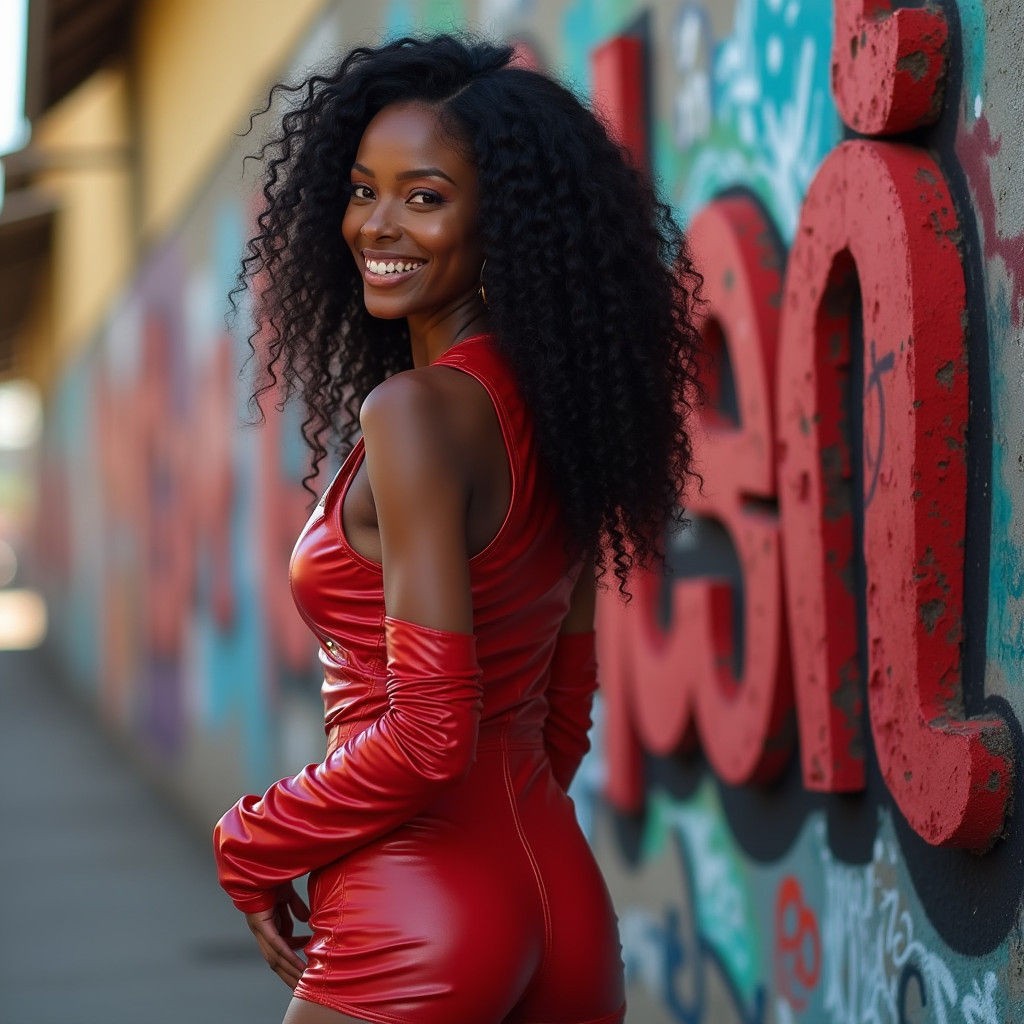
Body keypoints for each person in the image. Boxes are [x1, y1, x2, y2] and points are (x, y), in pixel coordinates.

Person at [212, 31, 705, 1024]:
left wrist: (252, 837)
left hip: (418, 905)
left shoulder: (414, 415)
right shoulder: (562, 411)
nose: (375, 226)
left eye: (424, 197)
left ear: (503, 225)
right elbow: (561, 712)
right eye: (362, 190)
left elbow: (434, 733)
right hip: (558, 894)